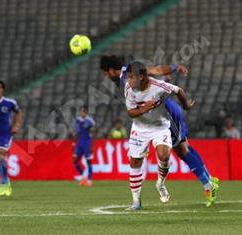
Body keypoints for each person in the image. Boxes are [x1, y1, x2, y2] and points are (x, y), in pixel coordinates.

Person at [100, 55, 219, 208]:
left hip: (166, 114)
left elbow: (155, 71)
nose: (105, 77)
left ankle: (208, 185)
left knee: (182, 150)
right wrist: (174, 69)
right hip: (152, 117)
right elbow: (154, 71)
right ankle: (209, 179)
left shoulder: (129, 76)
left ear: (110, 71)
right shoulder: (130, 74)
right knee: (184, 147)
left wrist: (175, 70)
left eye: (105, 73)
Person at [72, 105, 95, 187]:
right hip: (79, 143)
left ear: (86, 112)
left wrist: (92, 145)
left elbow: (93, 133)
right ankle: (83, 177)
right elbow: (76, 133)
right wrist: (74, 143)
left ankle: (89, 180)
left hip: (87, 142)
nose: (82, 113)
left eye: (83, 111)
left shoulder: (90, 121)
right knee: (75, 162)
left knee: (89, 161)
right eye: (81, 111)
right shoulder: (77, 121)